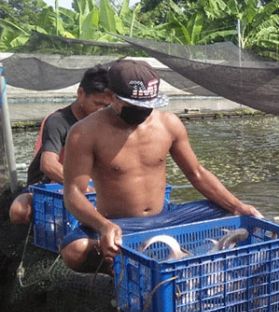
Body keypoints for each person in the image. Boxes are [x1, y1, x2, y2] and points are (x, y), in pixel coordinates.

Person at [60, 59, 261, 273]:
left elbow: (197, 174)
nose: (143, 112)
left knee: (234, 214)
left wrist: (237, 205)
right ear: (112, 97)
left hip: (167, 217)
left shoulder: (168, 124)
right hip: (121, 224)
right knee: (75, 250)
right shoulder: (84, 133)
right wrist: (104, 226)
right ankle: (120, 271)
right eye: (135, 106)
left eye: (148, 106)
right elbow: (73, 193)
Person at [8, 65, 111, 224]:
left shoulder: (107, 121)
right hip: (49, 184)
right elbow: (48, 165)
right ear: (80, 93)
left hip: (87, 184)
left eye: (106, 106)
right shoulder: (58, 121)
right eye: (97, 103)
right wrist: (81, 187)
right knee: (19, 211)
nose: (101, 110)